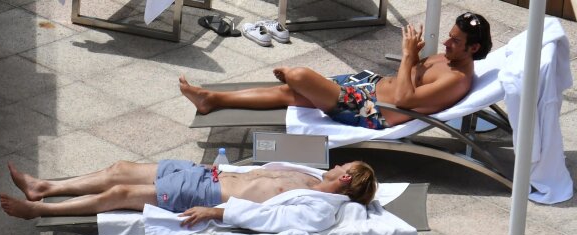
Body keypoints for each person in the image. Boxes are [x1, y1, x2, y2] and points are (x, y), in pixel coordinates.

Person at [179, 14, 492, 130]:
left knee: (299, 77)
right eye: (449, 36)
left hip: (370, 109)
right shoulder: (446, 60)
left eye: (455, 40)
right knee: (289, 94)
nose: (448, 42)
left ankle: (292, 73)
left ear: (473, 49)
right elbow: (408, 82)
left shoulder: (455, 80)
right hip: (369, 86)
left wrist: (409, 55)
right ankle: (212, 98)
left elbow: (404, 100)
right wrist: (413, 61)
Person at [0, 158, 378, 228]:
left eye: (343, 168)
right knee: (119, 169)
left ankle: (41, 212)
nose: (337, 165)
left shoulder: (320, 208)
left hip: (208, 193)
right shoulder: (310, 176)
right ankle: (44, 187)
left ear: (345, 180)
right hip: (208, 173)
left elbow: (273, 218)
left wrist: (216, 213)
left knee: (118, 193)